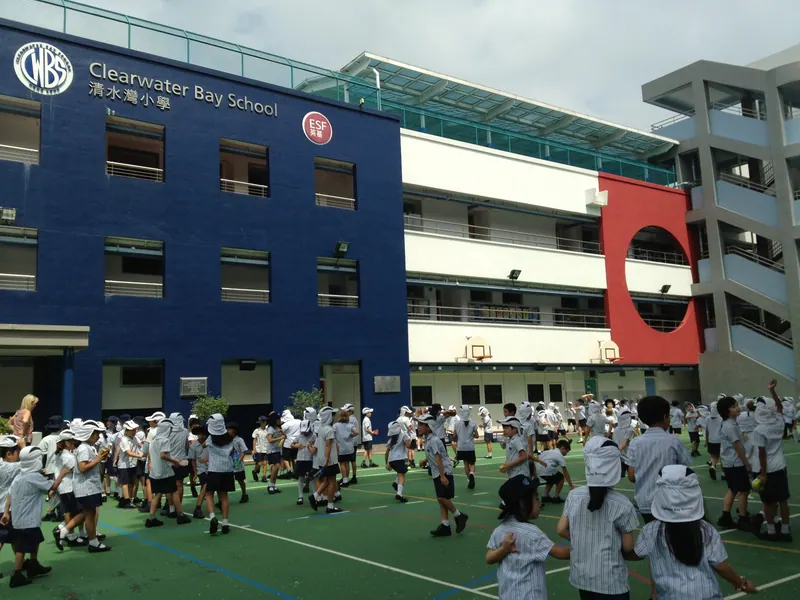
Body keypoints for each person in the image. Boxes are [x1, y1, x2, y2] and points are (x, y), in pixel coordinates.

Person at [631, 465, 758, 598]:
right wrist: (741, 583)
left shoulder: (651, 530)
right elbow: (721, 567)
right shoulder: (705, 530)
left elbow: (635, 554)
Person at [557, 436, 639, 599]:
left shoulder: (574, 496)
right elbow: (628, 547)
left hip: (582, 577)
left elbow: (561, 530)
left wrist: (583, 540)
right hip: (611, 581)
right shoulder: (622, 504)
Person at [486, 475, 570, 599]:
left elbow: (489, 558)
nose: (539, 502)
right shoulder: (532, 533)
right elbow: (561, 553)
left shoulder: (500, 529)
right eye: (536, 498)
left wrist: (503, 550)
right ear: (522, 503)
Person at [626, 395, 691, 523]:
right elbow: (685, 471)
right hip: (670, 501)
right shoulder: (674, 441)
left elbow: (632, 476)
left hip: (645, 501)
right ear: (665, 417)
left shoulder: (635, 443)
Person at [2, 447, 54, 588]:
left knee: (34, 540)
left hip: (19, 518)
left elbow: (9, 495)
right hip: (28, 519)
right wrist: (62, 474)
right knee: (21, 548)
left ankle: (33, 565)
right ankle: (17, 575)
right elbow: (51, 487)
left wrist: (6, 512)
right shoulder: (33, 477)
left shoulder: (19, 476)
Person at [59, 420, 110, 552]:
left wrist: (99, 458)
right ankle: (92, 541)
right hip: (87, 487)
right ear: (89, 434)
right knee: (90, 514)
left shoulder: (86, 447)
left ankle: (64, 530)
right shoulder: (83, 449)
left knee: (87, 513)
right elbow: (82, 468)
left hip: (89, 486)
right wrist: (98, 459)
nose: (98, 436)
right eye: (96, 434)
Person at [751, 380, 792, 541]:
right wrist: (773, 392)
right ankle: (786, 530)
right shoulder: (779, 422)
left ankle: (771, 531)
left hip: (767, 469)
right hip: (780, 466)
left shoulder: (759, 430)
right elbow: (780, 408)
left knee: (768, 502)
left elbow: (762, 454)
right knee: (783, 501)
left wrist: (763, 474)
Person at [415, 414, 468, 537]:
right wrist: (425, 460)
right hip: (437, 472)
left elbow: (438, 458)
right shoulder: (428, 440)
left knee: (442, 498)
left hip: (443, 471)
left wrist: (443, 476)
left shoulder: (433, 440)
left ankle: (459, 516)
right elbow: (433, 455)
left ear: (429, 427)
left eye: (422, 425)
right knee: (441, 499)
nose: (418, 427)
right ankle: (445, 525)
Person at [145, 418, 191, 528]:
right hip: (165, 472)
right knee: (174, 491)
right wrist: (176, 462)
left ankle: (150, 518)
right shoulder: (164, 440)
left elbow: (152, 456)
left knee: (157, 494)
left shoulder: (153, 441)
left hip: (155, 472)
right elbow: (163, 455)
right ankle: (180, 515)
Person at [716, 396, 751, 531]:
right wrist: (746, 463)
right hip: (735, 463)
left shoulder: (731, 423)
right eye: (734, 406)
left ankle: (726, 516)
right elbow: (738, 447)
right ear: (727, 410)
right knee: (744, 490)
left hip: (730, 463)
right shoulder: (729, 426)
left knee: (733, 490)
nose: (738, 408)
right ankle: (742, 518)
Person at [205, 414, 235, 535]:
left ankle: (212, 517)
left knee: (209, 494)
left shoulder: (210, 439)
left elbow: (203, 445)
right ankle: (225, 522)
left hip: (214, 469)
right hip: (227, 469)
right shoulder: (230, 438)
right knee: (224, 496)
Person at [310, 406, 343, 514]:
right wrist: (327, 459)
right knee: (332, 482)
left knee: (327, 480)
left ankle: (314, 496)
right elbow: (328, 446)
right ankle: (330, 506)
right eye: (332, 415)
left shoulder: (321, 428)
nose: (334, 417)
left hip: (322, 459)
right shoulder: (329, 430)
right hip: (329, 460)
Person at [0, 436, 21, 579]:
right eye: (17, 452)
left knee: (11, 538)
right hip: (7, 508)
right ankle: (20, 567)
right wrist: (24, 445)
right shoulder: (12, 467)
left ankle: (21, 562)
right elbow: (31, 461)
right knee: (9, 538)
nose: (19, 455)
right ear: (9, 453)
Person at [291, 408, 317, 506]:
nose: (305, 433)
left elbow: (317, 446)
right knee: (301, 478)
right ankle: (300, 496)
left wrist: (311, 446)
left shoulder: (314, 436)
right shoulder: (299, 436)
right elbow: (292, 444)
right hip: (301, 459)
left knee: (312, 478)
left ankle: (315, 496)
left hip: (310, 459)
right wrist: (297, 446)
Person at [117, 420, 143, 509]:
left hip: (133, 464)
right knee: (125, 483)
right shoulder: (124, 439)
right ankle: (126, 501)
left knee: (132, 483)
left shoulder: (135, 438)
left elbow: (141, 445)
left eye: (135, 430)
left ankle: (130, 500)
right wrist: (140, 455)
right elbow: (128, 452)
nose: (134, 431)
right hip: (124, 465)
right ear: (127, 430)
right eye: (132, 430)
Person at [538, 439, 574, 503]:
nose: (566, 454)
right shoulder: (559, 455)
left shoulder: (550, 451)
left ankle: (545, 496)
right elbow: (565, 472)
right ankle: (556, 497)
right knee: (561, 477)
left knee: (552, 478)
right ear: (563, 448)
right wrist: (570, 485)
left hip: (538, 469)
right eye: (567, 451)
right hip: (546, 469)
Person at [385, 420, 410, 503]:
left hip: (393, 460)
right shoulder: (404, 435)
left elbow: (386, 452)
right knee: (401, 475)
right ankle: (399, 494)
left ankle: (396, 483)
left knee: (404, 470)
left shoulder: (390, 440)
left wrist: (387, 463)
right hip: (401, 458)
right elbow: (407, 445)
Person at [498, 417, 530, 481]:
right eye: (504, 428)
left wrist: (510, 464)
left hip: (520, 475)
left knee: (503, 491)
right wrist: (506, 465)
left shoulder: (517, 440)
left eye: (507, 428)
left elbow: (523, 456)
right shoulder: (510, 440)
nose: (504, 430)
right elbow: (512, 456)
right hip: (513, 475)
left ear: (515, 429)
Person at [454, 405, 477, 489]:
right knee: (472, 463)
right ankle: (472, 474)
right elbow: (477, 435)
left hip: (461, 447)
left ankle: (468, 479)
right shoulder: (473, 423)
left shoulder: (457, 423)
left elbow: (454, 434)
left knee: (465, 464)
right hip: (470, 447)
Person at [189, 426, 209, 519]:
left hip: (212, 468)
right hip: (201, 469)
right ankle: (198, 508)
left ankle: (220, 503)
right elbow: (193, 460)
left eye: (203, 434)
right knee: (205, 486)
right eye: (199, 434)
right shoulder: (193, 446)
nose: (201, 436)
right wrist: (195, 472)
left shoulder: (210, 443)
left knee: (211, 488)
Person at [226, 422, 249, 504]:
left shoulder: (239, 440)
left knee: (240, 480)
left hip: (237, 463)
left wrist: (239, 460)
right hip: (228, 463)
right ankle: (222, 499)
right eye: (227, 429)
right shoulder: (227, 440)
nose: (228, 431)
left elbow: (244, 451)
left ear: (235, 430)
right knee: (226, 480)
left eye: (230, 429)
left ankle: (244, 494)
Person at [334, 409, 358, 487]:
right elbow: (356, 432)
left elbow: (333, 434)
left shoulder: (336, 425)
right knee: (347, 463)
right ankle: (346, 478)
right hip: (350, 447)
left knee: (342, 464)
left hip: (341, 447)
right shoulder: (350, 425)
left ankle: (344, 480)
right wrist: (351, 435)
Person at [264, 412, 284, 495]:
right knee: (277, 466)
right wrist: (280, 437)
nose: (279, 420)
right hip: (272, 451)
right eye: (278, 418)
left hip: (278, 450)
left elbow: (284, 436)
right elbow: (270, 440)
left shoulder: (278, 428)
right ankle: (270, 485)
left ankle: (273, 485)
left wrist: (282, 433)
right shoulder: (270, 428)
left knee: (277, 468)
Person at [341, 404, 360, 482]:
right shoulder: (354, 419)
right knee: (352, 460)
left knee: (347, 461)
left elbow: (348, 431)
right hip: (353, 442)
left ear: (350, 411)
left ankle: (346, 477)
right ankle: (353, 476)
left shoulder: (350, 419)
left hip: (350, 442)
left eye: (346, 411)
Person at [705, 400, 723, 480]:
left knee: (714, 456)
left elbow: (707, 430)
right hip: (720, 440)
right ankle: (724, 473)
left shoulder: (708, 418)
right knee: (723, 457)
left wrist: (706, 440)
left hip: (711, 440)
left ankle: (712, 466)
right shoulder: (722, 417)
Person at [251, 416, 269, 483]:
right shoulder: (256, 430)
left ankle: (264, 476)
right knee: (259, 463)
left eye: (265, 421)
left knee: (265, 463)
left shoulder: (267, 430)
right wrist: (254, 449)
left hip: (266, 449)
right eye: (263, 421)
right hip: (259, 449)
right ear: (260, 422)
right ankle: (254, 471)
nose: (265, 422)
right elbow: (254, 440)